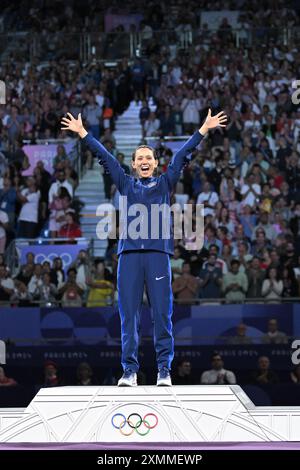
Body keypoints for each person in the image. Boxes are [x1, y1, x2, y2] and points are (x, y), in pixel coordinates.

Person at [61, 108, 227, 387]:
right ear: (135, 165)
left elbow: (182, 156)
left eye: (149, 157)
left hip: (158, 257)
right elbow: (106, 158)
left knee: (162, 314)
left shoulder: (165, 183)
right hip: (128, 258)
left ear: (156, 162)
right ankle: (129, 371)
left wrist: (203, 130)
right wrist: (83, 134)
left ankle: (164, 370)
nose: (145, 161)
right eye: (140, 158)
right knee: (129, 318)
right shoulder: (125, 184)